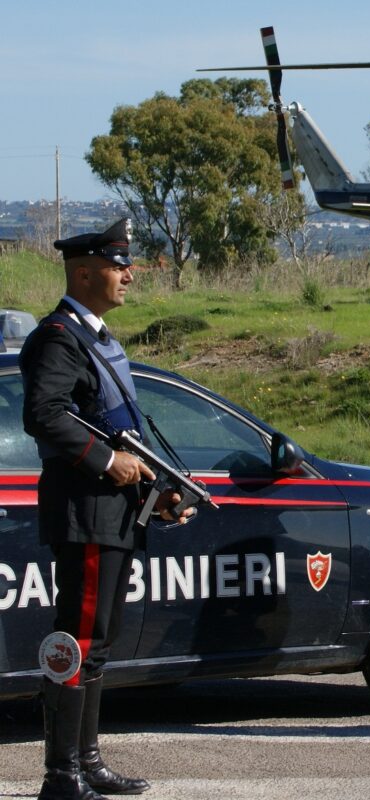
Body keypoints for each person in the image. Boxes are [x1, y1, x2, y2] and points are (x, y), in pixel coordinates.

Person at [20, 219, 190, 800]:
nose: (129, 274)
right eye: (118, 266)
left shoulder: (97, 339)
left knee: (101, 640)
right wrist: (103, 461)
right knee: (80, 639)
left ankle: (87, 762)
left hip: (114, 511)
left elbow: (125, 436)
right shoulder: (59, 336)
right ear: (84, 272)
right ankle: (61, 775)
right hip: (85, 510)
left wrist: (156, 493)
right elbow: (45, 413)